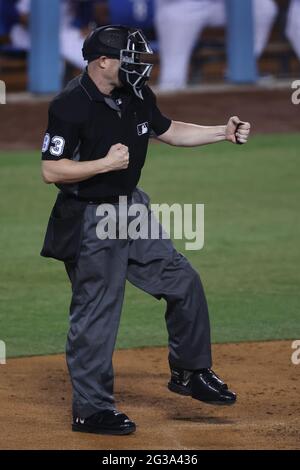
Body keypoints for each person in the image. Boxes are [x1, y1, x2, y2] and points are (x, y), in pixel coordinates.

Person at [41, 25, 251, 436]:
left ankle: (190, 372)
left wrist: (220, 133)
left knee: (182, 281)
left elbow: (168, 130)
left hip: (131, 209)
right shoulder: (70, 104)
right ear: (102, 61)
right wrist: (103, 164)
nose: (139, 66)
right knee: (98, 312)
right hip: (89, 218)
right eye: (130, 58)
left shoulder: (135, 94)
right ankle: (91, 409)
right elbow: (51, 170)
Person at [155, 0, 278, 90]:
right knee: (172, 77)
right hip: (182, 5)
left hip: (223, 4)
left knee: (263, 7)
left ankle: (243, 66)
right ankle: (167, 107)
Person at [10, 0, 98, 69]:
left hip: (63, 33)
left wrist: (86, 28)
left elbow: (87, 15)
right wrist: (44, 29)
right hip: (30, 33)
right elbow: (23, 17)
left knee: (75, 41)